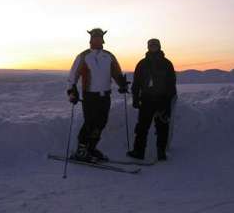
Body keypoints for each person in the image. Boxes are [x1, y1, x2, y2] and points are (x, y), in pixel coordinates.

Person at [67, 28, 129, 162]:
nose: (97, 39)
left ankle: (91, 148)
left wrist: (122, 84)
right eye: (95, 37)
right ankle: (81, 150)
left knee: (101, 123)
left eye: (99, 37)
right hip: (90, 96)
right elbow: (73, 75)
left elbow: (116, 72)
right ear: (91, 39)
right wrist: (72, 90)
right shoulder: (83, 56)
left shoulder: (109, 56)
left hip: (105, 96)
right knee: (90, 123)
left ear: (103, 39)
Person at [127, 38, 177, 161]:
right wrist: (135, 98)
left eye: (155, 45)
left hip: (163, 100)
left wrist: (168, 101)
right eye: (151, 45)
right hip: (146, 100)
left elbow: (171, 83)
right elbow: (137, 83)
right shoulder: (142, 63)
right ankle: (139, 152)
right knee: (142, 127)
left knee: (162, 127)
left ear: (159, 46)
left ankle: (161, 152)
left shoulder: (167, 64)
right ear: (148, 47)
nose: (153, 47)